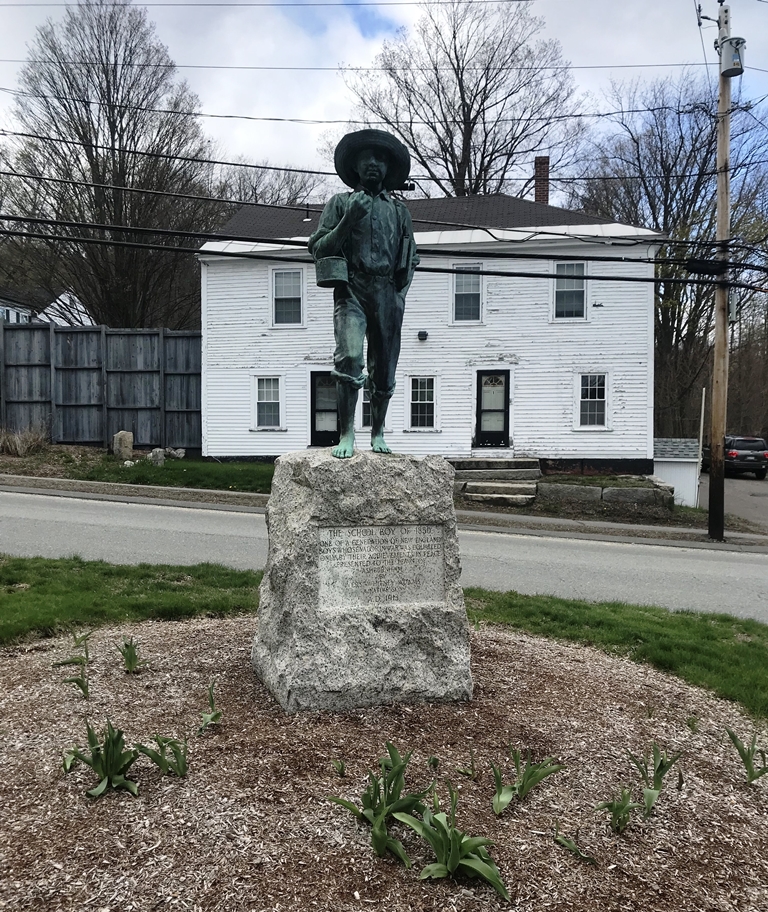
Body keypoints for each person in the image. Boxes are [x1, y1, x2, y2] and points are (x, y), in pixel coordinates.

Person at [308, 129, 419, 458]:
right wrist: (348, 220)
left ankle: (378, 431)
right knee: (351, 357)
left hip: (387, 292)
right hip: (352, 290)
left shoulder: (399, 212)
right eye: (366, 158)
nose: (374, 164)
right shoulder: (340, 203)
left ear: (387, 169)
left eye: (380, 159)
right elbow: (317, 247)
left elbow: (411, 255)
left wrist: (400, 294)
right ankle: (346, 434)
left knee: (384, 367)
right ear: (355, 166)